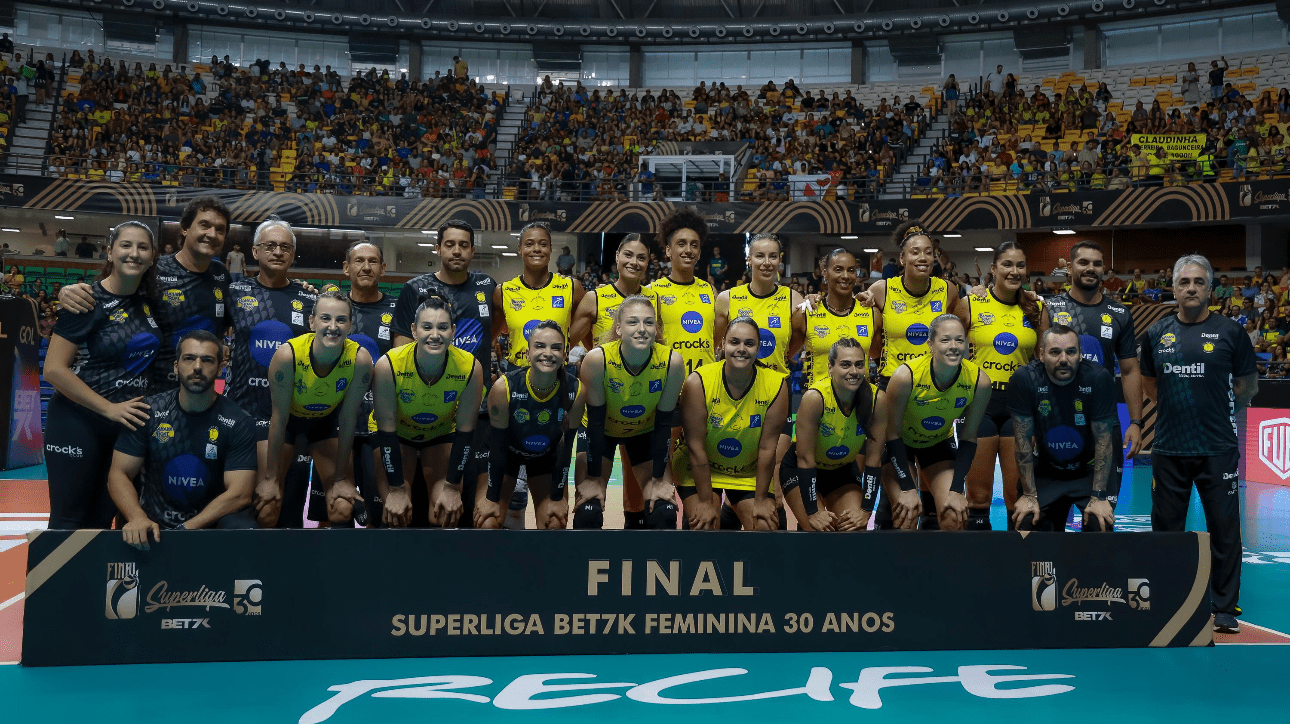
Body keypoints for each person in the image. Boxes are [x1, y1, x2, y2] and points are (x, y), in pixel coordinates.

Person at [1140, 254, 1257, 635]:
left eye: (1198, 282)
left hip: (1218, 447)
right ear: (1173, 288)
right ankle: (1167, 599)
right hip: (1169, 448)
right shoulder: (1156, 334)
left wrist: (1216, 411)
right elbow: (1150, 385)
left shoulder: (1231, 333)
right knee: (1166, 531)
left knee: (1224, 530)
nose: (1191, 288)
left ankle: (1224, 608)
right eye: (1183, 282)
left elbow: (1246, 386)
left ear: (1210, 289)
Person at [43, 222, 162, 529]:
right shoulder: (84, 300)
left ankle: (89, 580)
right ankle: (55, 580)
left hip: (125, 427)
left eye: (142, 247)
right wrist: (109, 408)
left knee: (100, 520)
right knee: (68, 520)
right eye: (126, 246)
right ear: (110, 252)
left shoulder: (150, 304)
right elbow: (54, 369)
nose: (134, 254)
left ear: (152, 257)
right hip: (77, 421)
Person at [60, 197, 234, 391]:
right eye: (204, 225)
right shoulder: (153, 270)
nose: (212, 234)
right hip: (152, 392)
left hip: (200, 389)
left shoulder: (221, 275)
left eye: (220, 230)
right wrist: (67, 291)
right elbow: (111, 291)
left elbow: (222, 328)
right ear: (185, 228)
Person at [392, 219, 499, 527]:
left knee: (457, 506)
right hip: (425, 411)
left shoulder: (486, 286)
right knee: (422, 504)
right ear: (437, 248)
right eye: (449, 244)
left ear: (473, 250)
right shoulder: (415, 289)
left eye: (463, 245)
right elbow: (401, 351)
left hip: (474, 412)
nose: (456, 251)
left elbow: (498, 327)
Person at [108, 331, 257, 547]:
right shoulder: (148, 412)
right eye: (189, 358)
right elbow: (119, 473)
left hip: (208, 528)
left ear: (219, 369)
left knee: (244, 526)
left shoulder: (238, 421)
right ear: (176, 366)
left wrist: (186, 529)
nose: (197, 367)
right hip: (154, 525)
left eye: (207, 360)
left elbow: (240, 494)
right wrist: (137, 517)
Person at [255, 292, 374, 529]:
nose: (333, 327)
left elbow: (348, 418)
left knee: (342, 506)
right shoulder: (288, 356)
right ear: (312, 322)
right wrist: (270, 479)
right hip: (286, 423)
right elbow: (279, 419)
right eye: (325, 318)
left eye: (341, 320)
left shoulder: (360, 359)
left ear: (350, 325)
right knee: (266, 507)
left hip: (324, 424)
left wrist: (340, 478)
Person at [1041, 240, 1144, 507]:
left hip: (1103, 424)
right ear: (1070, 268)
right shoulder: (1049, 310)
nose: (1090, 268)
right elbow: (1037, 366)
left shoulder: (1120, 313)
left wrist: (1135, 422)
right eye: (1083, 262)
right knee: (1048, 524)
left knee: (1100, 521)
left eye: (1097, 264)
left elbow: (1130, 369)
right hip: (1055, 421)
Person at [370, 296, 485, 528]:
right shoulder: (388, 365)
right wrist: (396, 489)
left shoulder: (470, 367)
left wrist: (452, 487)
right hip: (397, 436)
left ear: (453, 331)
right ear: (413, 330)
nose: (435, 334)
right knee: (397, 515)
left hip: (440, 434)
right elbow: (387, 432)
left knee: (445, 514)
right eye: (427, 327)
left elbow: (464, 434)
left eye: (443, 327)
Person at [569, 234, 659, 528]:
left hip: (641, 406)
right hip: (601, 407)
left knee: (640, 501)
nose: (634, 262)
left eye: (641, 257)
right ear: (617, 257)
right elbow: (572, 340)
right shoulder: (596, 297)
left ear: (648, 264)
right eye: (628, 255)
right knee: (590, 502)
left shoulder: (654, 298)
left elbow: (663, 342)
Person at [873, 313, 991, 530]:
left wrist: (956, 490)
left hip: (937, 444)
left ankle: (945, 564)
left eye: (959, 340)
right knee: (907, 514)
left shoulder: (979, 381)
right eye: (945, 340)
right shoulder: (905, 376)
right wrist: (908, 488)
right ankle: (903, 563)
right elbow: (891, 435)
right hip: (900, 447)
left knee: (954, 516)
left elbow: (968, 437)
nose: (954, 346)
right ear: (931, 344)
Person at [577, 296, 685, 529]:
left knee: (664, 510)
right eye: (633, 322)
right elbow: (595, 423)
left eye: (648, 323)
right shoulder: (598, 359)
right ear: (619, 328)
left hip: (644, 431)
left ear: (656, 328)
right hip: (601, 432)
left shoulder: (672, 362)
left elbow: (663, 424)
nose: (642, 329)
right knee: (589, 509)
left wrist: (658, 479)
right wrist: (594, 479)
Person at [673, 316, 790, 530]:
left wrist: (762, 498)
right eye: (734, 342)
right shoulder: (698, 382)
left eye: (749, 343)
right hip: (700, 467)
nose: (741, 349)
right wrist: (707, 502)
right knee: (705, 525)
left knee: (766, 527)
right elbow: (695, 446)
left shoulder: (776, 385)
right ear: (723, 343)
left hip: (748, 470)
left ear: (758, 348)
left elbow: (767, 449)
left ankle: (729, 509)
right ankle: (708, 510)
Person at [957, 242, 1043, 529]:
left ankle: (1016, 565)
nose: (1014, 271)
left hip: (1019, 406)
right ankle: (980, 567)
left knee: (1015, 494)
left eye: (1020, 265)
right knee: (978, 496)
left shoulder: (1037, 307)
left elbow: (1044, 360)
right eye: (1007, 264)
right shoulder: (971, 303)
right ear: (993, 269)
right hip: (980, 403)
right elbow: (948, 351)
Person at [474, 321, 586, 530]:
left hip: (545, 457)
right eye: (540, 346)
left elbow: (566, 447)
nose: (548, 353)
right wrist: (491, 497)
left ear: (565, 354)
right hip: (505, 454)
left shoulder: (576, 392)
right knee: (487, 522)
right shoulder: (503, 388)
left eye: (556, 347)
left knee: (554, 522)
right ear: (527, 353)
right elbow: (497, 447)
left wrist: (557, 496)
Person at [1008, 325, 1118, 533]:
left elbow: (1103, 440)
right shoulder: (1025, 378)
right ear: (1041, 355)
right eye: (1055, 352)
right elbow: (1022, 440)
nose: (1064, 359)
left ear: (1080, 354)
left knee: (1100, 524)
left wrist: (1098, 496)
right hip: (1046, 471)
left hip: (1087, 471)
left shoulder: (1098, 378)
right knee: (1025, 521)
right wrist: (1030, 495)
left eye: (1071, 351)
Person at [226, 218, 317, 462]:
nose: (278, 252)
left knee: (280, 492)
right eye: (270, 246)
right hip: (241, 408)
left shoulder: (309, 299)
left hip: (291, 413)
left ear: (293, 254)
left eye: (285, 247)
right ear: (255, 251)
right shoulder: (234, 292)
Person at [780, 338, 878, 532]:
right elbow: (805, 460)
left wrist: (866, 510)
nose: (854, 371)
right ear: (830, 367)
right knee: (818, 531)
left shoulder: (877, 399)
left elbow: (874, 460)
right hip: (801, 470)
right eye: (845, 364)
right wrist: (812, 512)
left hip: (841, 470)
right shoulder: (815, 398)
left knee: (854, 528)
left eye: (859, 365)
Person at [344, 240, 400, 526]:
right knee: (336, 511)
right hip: (336, 425)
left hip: (380, 425)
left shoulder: (398, 309)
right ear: (346, 268)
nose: (366, 267)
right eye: (359, 260)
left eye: (373, 261)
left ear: (383, 268)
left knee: (381, 514)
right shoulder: (333, 309)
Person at [493, 221, 585, 371]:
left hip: (557, 373)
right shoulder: (503, 291)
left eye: (543, 244)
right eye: (529, 244)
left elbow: (585, 331)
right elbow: (490, 337)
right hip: (517, 374)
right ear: (520, 249)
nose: (536, 249)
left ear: (550, 249)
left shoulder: (571, 287)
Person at [801, 248, 877, 390]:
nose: (845, 276)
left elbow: (879, 357)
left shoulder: (872, 314)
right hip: (819, 403)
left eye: (851, 270)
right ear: (825, 273)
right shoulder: (807, 312)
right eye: (838, 269)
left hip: (861, 403)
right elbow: (786, 356)